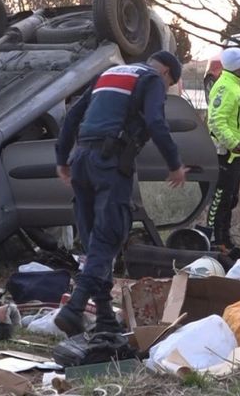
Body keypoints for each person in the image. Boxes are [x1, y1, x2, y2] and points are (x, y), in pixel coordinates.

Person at [54, 51, 189, 336]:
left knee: (95, 242)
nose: (164, 91)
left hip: (81, 161)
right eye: (169, 86)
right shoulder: (152, 80)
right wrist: (175, 164)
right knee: (110, 234)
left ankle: (104, 317)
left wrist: (62, 159)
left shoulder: (111, 74)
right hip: (110, 164)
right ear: (166, 73)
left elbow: (72, 117)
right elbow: (155, 122)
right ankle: (75, 306)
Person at [205, 47, 240, 249]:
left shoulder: (234, 86)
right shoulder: (225, 87)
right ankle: (215, 240)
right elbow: (215, 121)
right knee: (220, 199)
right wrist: (233, 143)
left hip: (236, 155)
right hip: (224, 154)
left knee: (230, 199)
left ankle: (225, 239)